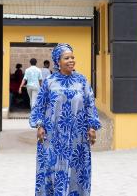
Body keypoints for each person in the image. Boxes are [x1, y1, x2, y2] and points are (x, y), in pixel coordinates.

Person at [30, 43, 101, 196]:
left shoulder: (82, 81)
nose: (71, 60)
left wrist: (92, 127)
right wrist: (39, 125)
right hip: (54, 136)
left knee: (76, 169)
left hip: (78, 136)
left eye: (72, 57)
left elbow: (90, 104)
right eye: (66, 58)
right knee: (53, 169)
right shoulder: (49, 82)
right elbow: (39, 105)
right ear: (58, 61)